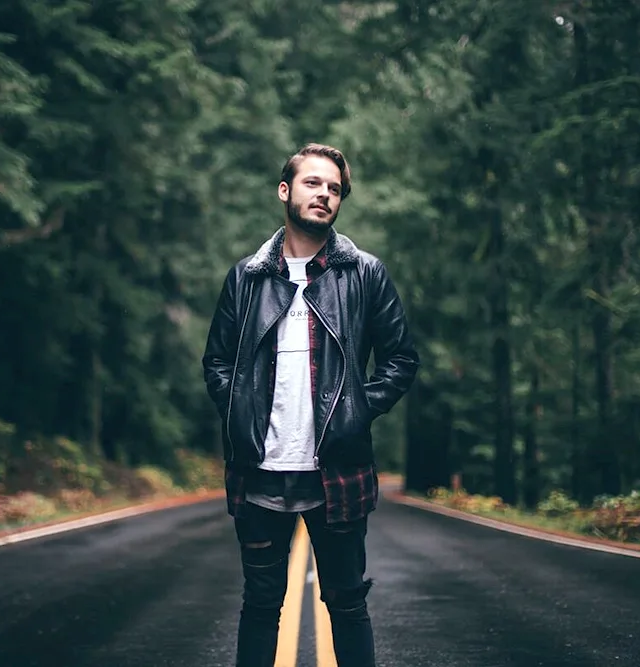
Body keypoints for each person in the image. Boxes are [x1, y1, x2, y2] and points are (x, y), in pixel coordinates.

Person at [201, 143, 419, 667]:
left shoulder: (364, 274)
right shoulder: (247, 278)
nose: (324, 194)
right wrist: (241, 415)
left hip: (337, 472)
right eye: (312, 183)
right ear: (285, 191)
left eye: (334, 188)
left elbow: (401, 359)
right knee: (259, 606)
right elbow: (217, 363)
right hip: (260, 473)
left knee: (346, 605)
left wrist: (357, 410)